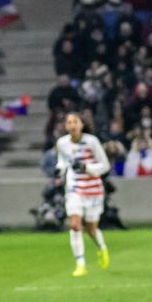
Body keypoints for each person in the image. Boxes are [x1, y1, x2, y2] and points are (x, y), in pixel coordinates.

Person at [56, 113, 111, 277]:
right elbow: (62, 161)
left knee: (91, 229)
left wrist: (86, 167)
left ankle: (102, 248)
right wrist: (58, 170)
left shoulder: (91, 141)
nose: (72, 125)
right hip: (74, 188)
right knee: (74, 225)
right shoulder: (62, 143)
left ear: (81, 124)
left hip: (93, 189)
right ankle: (80, 264)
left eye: (75, 122)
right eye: (69, 122)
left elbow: (105, 166)